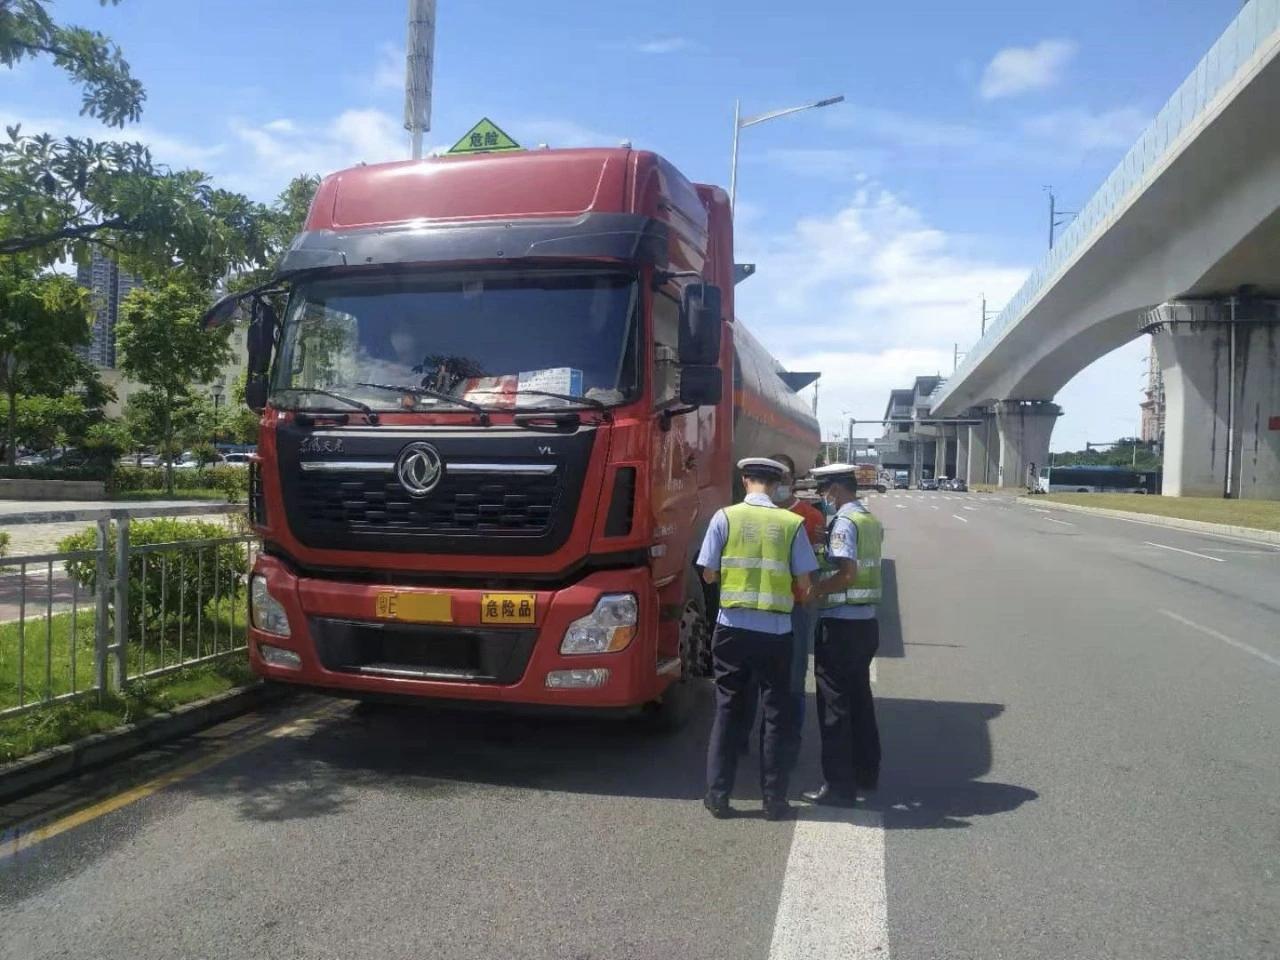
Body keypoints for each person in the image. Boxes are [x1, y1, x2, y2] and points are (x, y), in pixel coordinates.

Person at [697, 457, 818, 821]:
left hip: (731, 629)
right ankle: (774, 801)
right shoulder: (791, 523)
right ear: (777, 483)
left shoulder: (725, 517)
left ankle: (718, 796)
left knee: (728, 710)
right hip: (776, 633)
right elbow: (805, 585)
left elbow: (707, 573)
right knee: (776, 715)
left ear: (745, 479)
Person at [801, 463, 884, 808]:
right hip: (866, 623)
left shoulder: (844, 523)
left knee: (834, 706)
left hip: (840, 625)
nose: (824, 499)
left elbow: (847, 573)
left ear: (835, 489)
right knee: (860, 700)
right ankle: (867, 772)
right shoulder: (868, 520)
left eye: (823, 492)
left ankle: (838, 786)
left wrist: (816, 590)